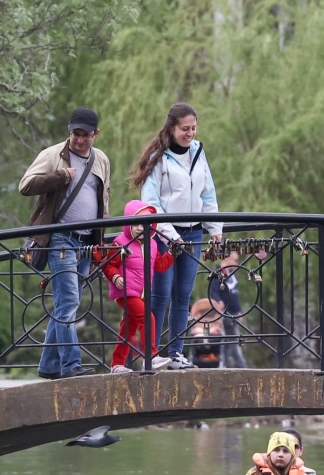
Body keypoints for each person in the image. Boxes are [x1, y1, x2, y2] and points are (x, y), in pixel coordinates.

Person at [21, 108, 110, 380]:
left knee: (66, 304)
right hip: (59, 237)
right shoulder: (53, 154)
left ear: (96, 134)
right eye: (75, 134)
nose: (79, 140)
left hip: (86, 241)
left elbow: (104, 199)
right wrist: (61, 176)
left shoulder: (101, 160)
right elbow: (25, 185)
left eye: (85, 135)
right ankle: (71, 365)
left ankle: (48, 365)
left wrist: (101, 240)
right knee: (69, 301)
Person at [133, 103, 222, 370]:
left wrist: (215, 230)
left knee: (183, 296)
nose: (190, 134)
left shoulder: (198, 153)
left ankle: (176, 353)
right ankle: (152, 354)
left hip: (194, 232)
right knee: (161, 295)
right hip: (164, 235)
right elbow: (151, 203)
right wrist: (170, 235)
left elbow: (208, 194)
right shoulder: (158, 158)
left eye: (193, 128)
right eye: (185, 129)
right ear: (171, 128)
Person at [96, 199, 172, 373]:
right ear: (127, 223)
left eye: (144, 224)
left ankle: (117, 364)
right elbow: (108, 265)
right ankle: (150, 357)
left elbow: (159, 265)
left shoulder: (152, 244)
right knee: (147, 318)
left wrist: (171, 254)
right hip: (126, 292)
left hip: (141, 293)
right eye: (135, 224)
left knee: (128, 329)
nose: (140, 228)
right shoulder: (120, 242)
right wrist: (115, 277)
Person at [209, 250, 249, 368]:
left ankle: (225, 365)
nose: (237, 263)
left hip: (233, 312)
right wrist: (218, 301)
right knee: (233, 340)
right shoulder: (219, 273)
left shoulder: (232, 275)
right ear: (228, 259)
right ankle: (242, 367)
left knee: (228, 341)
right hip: (224, 313)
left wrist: (239, 311)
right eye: (235, 260)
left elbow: (235, 294)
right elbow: (213, 291)